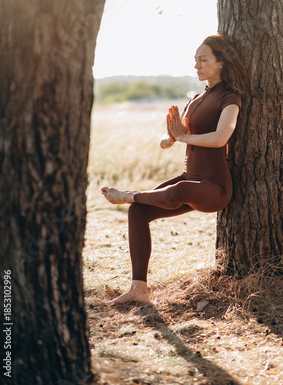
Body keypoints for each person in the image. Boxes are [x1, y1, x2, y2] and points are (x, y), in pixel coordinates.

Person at [101, 34, 245, 304]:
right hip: (189, 180)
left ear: (221, 63)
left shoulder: (230, 98)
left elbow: (220, 138)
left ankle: (128, 194)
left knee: (173, 190)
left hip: (214, 188)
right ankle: (139, 289)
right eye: (195, 61)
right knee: (139, 211)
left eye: (203, 60)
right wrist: (170, 138)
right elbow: (169, 140)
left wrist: (183, 138)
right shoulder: (197, 98)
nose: (197, 66)